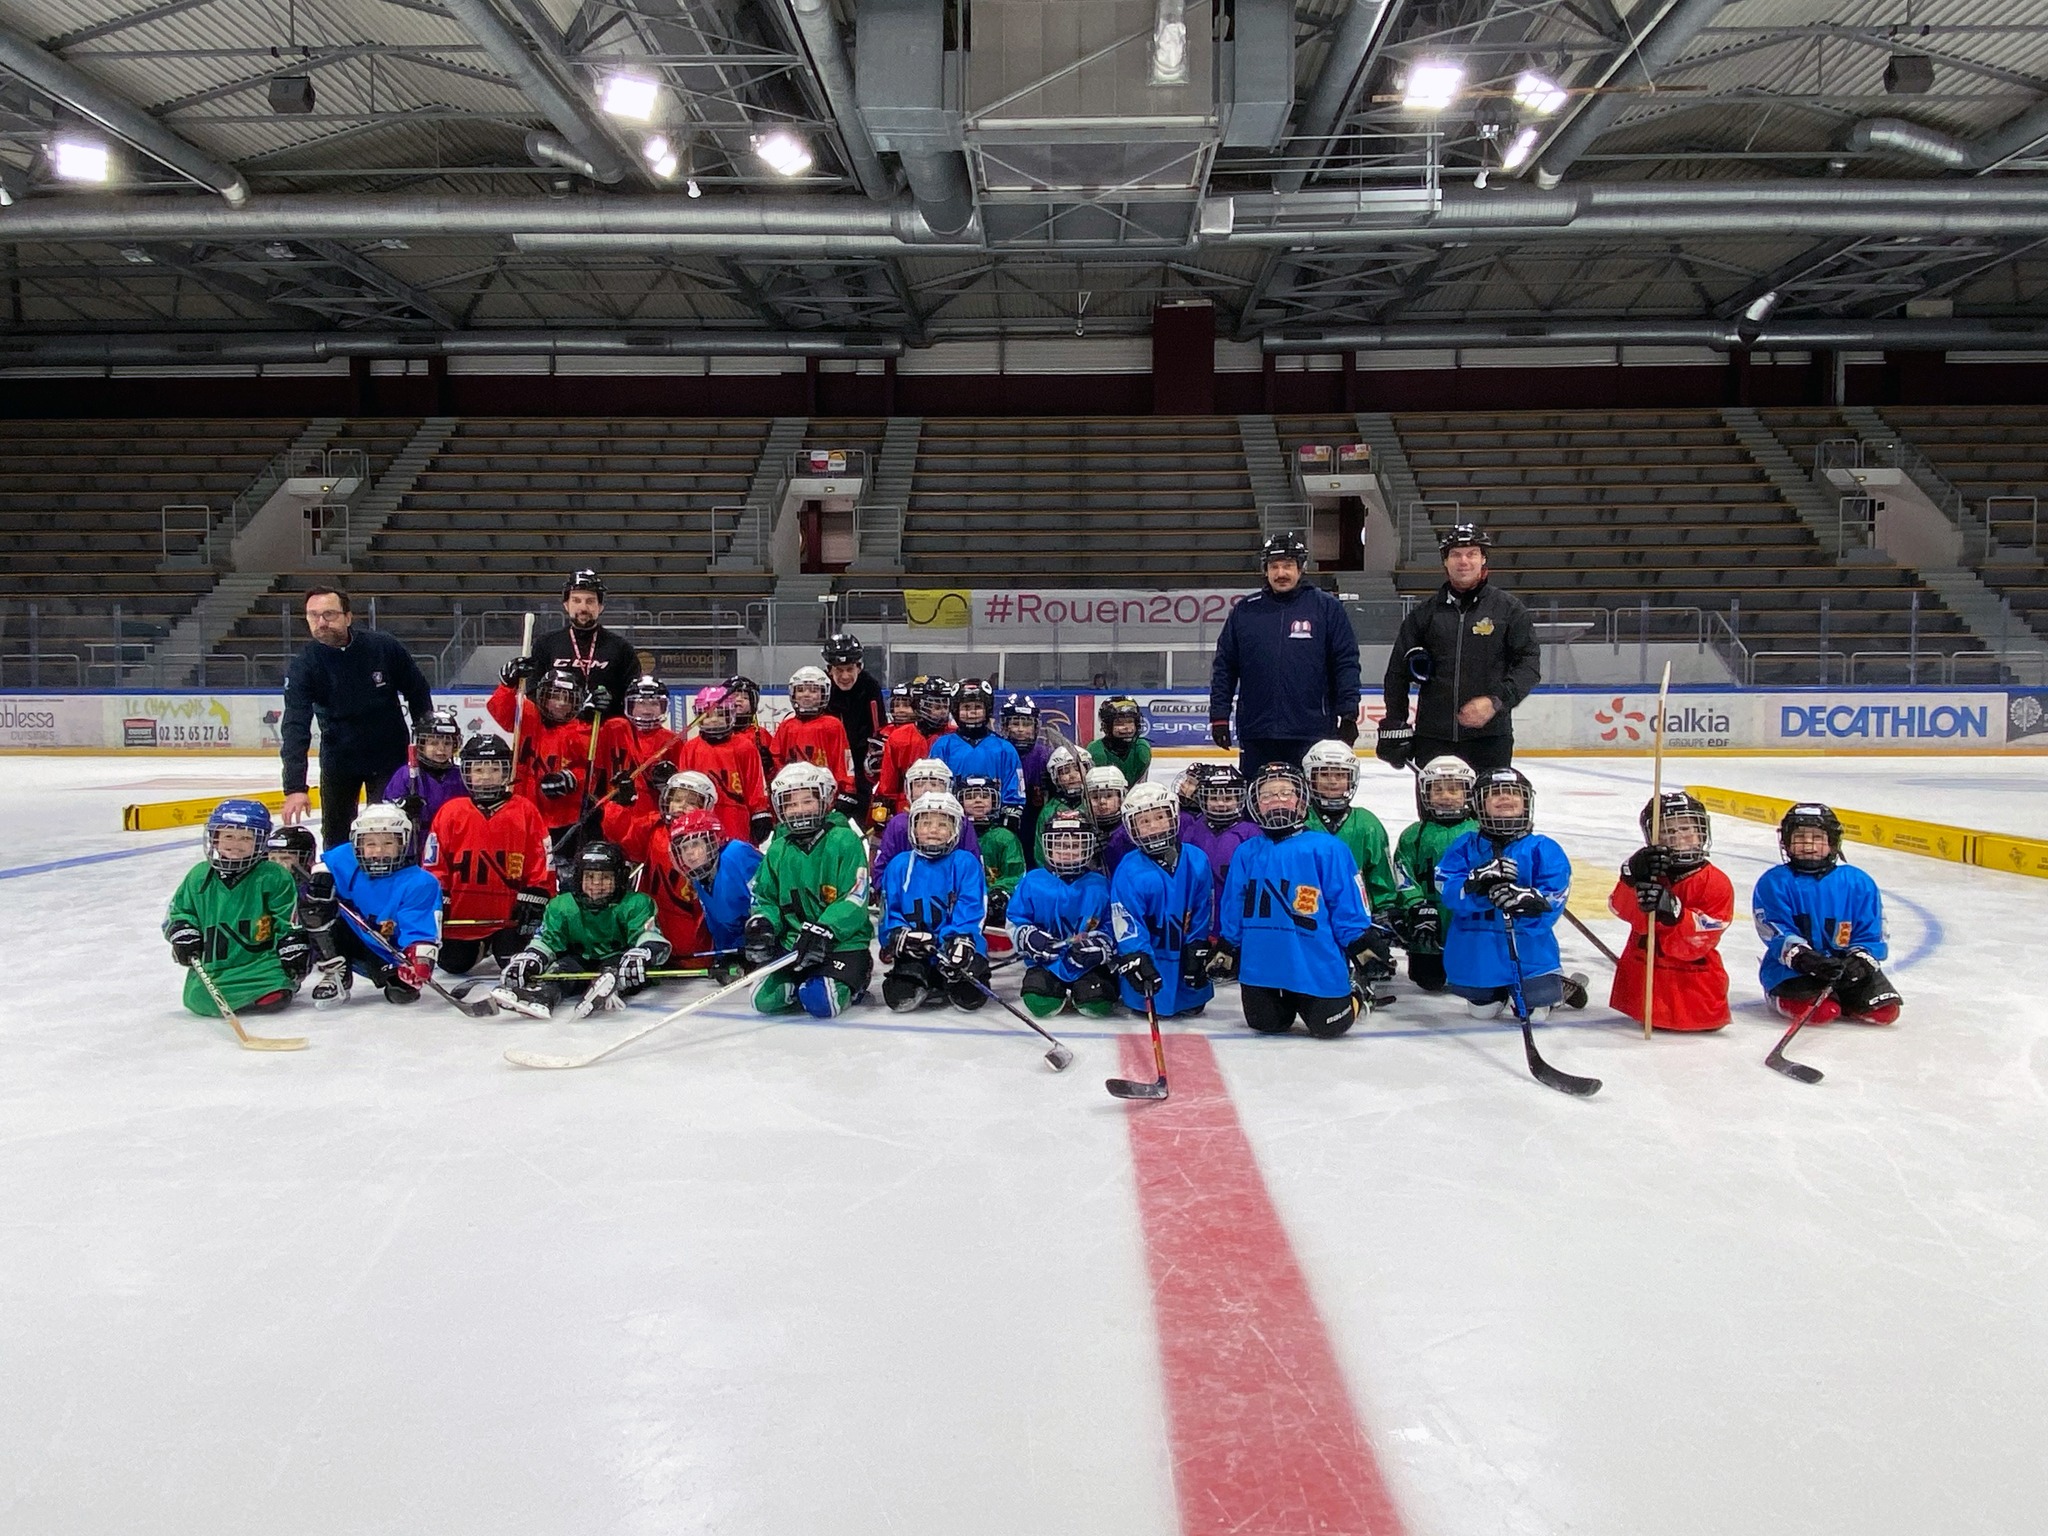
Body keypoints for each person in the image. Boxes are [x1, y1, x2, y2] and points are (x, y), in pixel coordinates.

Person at [1210, 764, 1385, 1038]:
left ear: (1301, 800)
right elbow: (1235, 903)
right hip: (1261, 964)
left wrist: (1358, 941)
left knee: (1330, 1027)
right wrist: (1229, 944)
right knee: (1265, 1024)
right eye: (1267, 796)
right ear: (1255, 804)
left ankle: (1357, 992)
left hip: (1313, 963)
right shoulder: (1247, 851)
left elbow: (1346, 903)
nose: (1277, 800)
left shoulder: (1329, 848)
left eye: (1285, 793)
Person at [1376, 524, 1540, 776]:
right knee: (1436, 813)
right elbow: (1397, 673)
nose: (1464, 561)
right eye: (1455, 554)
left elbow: (1529, 666)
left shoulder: (1508, 610)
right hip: (1433, 738)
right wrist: (1395, 723)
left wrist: (1496, 701)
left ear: (1483, 558)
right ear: (1445, 561)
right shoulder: (1424, 614)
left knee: (1488, 813)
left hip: (1490, 739)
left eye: (1471, 553)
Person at [279, 586, 434, 851]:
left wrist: (426, 746)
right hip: (340, 759)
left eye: (329, 614)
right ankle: (340, 889)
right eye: (313, 616)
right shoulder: (305, 665)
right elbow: (295, 726)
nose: (321, 622)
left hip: (389, 757)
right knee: (336, 836)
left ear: (348, 617)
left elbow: (418, 693)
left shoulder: (383, 648)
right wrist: (295, 786)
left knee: (387, 829)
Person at [1435, 768, 1586, 1020]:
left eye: (1513, 793)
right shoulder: (1464, 846)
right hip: (1477, 953)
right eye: (1495, 793)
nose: (1504, 797)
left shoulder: (1543, 848)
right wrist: (1476, 885)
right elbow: (1446, 887)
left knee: (1535, 1014)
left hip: (1528, 951)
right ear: (1479, 803)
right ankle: (1500, 990)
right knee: (1482, 1011)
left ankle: (1556, 987)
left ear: (1526, 801)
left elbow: (1556, 895)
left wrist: (1528, 900)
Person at [1208, 531, 1362, 775]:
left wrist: (1349, 714)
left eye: (1288, 565)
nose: (1281, 573)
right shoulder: (1245, 611)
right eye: (1275, 566)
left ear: (1301, 568)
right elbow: (1225, 668)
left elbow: (1345, 664)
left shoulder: (1326, 608)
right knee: (1257, 803)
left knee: (1308, 806)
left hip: (1313, 731)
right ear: (1265, 570)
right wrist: (1219, 716)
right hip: (1257, 732)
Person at [745, 763, 875, 1017]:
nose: (799, 810)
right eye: (791, 804)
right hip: (795, 945)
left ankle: (857, 974)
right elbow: (766, 898)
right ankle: (803, 981)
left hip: (840, 945)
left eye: (807, 801)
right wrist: (763, 924)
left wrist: (825, 929)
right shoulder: (778, 848)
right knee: (763, 1000)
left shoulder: (844, 840)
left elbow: (855, 896)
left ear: (825, 800)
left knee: (820, 1002)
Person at [1753, 803, 1902, 1025]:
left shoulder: (1858, 882)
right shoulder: (1774, 882)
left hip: (1844, 966)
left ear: (1832, 842)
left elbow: (1872, 931)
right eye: (1800, 838)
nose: (1809, 845)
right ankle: (1776, 993)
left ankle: (1843, 996)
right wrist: (1805, 959)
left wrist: (1859, 961)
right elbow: (1775, 929)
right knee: (1823, 1013)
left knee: (1885, 1012)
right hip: (1793, 969)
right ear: (1786, 841)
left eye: (1817, 838)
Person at [163, 799, 309, 1017]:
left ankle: (272, 985)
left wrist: (292, 944)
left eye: (246, 838)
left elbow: (288, 918)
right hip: (215, 966)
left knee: (274, 994)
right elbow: (180, 912)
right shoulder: (199, 875)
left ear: (260, 842)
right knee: (199, 1000)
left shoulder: (273, 875)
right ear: (215, 838)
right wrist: (184, 932)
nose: (236, 843)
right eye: (228, 836)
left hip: (261, 964)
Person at [423, 735, 555, 976]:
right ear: (466, 772)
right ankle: (481, 947)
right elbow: (434, 862)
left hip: (510, 916)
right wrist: (438, 893)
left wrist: (537, 892)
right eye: (478, 769)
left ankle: (499, 942)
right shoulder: (451, 811)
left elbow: (542, 858)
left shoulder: (524, 810)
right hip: (464, 916)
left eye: (494, 769)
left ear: (506, 772)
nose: (485, 776)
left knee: (513, 960)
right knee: (453, 963)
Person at [492, 841, 670, 1019]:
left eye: (606, 877)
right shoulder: (562, 905)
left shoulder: (636, 903)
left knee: (619, 967)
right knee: (562, 971)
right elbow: (547, 941)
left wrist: (643, 953)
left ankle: (613, 986)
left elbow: (648, 936)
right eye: (590, 877)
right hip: (579, 961)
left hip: (618, 959)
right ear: (578, 878)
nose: (597, 884)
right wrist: (532, 958)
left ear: (620, 878)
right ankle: (543, 996)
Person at [1609, 792, 1735, 1032]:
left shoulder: (1716, 882)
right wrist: (1630, 877)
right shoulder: (1648, 871)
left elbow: (1700, 940)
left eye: (1686, 827)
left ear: (1702, 831)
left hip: (1694, 998)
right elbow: (1620, 909)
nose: (1678, 837)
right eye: (1667, 830)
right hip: (1643, 993)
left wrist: (1675, 911)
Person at [301, 802, 443, 1007]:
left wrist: (418, 960)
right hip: (350, 940)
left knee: (402, 994)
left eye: (388, 843)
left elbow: (420, 927)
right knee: (314, 904)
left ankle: (389, 972)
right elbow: (322, 868)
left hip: (387, 951)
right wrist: (320, 881)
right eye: (370, 844)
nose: (379, 851)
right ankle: (336, 970)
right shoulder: (345, 859)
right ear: (357, 846)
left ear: (403, 843)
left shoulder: (421, 882)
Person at [877, 791, 991, 1012]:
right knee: (899, 997)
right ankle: (927, 976)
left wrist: (959, 940)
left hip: (957, 946)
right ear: (914, 828)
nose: (933, 830)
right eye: (926, 823)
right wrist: (901, 936)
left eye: (942, 824)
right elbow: (889, 911)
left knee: (970, 997)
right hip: (916, 950)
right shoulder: (899, 865)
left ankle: (950, 976)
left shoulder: (965, 862)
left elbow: (972, 907)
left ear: (955, 830)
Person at [1108, 782, 1214, 1018]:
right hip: (1152, 958)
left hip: (1182, 955)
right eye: (1144, 821)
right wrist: (1137, 957)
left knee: (1193, 1000)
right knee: (1146, 996)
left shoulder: (1196, 860)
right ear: (1132, 827)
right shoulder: (1129, 869)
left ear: (1173, 816)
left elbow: (1202, 910)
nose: (1154, 827)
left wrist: (1196, 948)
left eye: (1160, 817)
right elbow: (1127, 922)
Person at [1007, 809, 1118, 1019]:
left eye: (1075, 845)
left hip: (1088, 966)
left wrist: (1099, 947)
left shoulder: (1100, 884)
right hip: (1046, 962)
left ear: (1088, 846)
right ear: (1047, 846)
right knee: (1040, 1001)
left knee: (1097, 1003)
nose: (1067, 851)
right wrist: (1029, 937)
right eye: (1059, 845)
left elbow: (1112, 925)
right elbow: (1015, 919)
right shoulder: (1033, 881)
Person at [490, 658, 598, 854]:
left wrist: (572, 779)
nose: (560, 703)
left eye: (567, 698)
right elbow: (502, 713)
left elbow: (590, 769)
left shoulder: (581, 730)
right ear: (542, 696)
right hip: (522, 807)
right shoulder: (527, 714)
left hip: (561, 816)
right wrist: (508, 685)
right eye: (554, 696)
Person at [1388, 756, 1477, 993]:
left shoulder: (1479, 833)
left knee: (1475, 980)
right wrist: (1416, 905)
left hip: (1470, 924)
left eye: (1454, 789)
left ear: (1468, 792)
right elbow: (1402, 872)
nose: (1446, 796)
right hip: (1427, 925)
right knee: (1428, 980)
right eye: (1438, 789)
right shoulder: (1414, 835)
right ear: (1425, 793)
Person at [1301, 740, 1399, 919]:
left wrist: (1385, 909)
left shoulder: (1366, 823)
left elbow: (1380, 875)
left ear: (1351, 778)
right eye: (1324, 774)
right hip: (1306, 914)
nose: (1332, 781)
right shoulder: (1299, 820)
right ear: (1310, 777)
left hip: (1356, 919)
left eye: (1340, 774)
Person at [669, 809, 766, 982]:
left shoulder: (737, 854)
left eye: (696, 844)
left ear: (714, 840)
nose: (690, 853)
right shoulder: (700, 875)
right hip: (749, 947)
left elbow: (767, 899)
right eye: (684, 848)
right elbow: (720, 926)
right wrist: (727, 956)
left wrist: (761, 939)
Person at [532, 568, 638, 720]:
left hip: (603, 732)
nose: (583, 608)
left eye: (590, 601)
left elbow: (631, 697)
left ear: (600, 607)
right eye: (576, 600)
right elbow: (532, 692)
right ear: (566, 605)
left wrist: (611, 702)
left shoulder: (621, 648)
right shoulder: (546, 644)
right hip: (559, 734)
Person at [675, 683, 771, 845]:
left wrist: (759, 812)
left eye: (720, 714)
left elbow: (755, 784)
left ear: (730, 715)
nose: (713, 720)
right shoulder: (690, 748)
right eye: (707, 714)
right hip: (701, 816)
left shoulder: (744, 746)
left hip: (736, 817)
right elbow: (685, 788)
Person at [589, 675, 677, 851]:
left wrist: (667, 784)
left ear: (663, 707)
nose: (647, 710)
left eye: (653, 704)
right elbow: (593, 774)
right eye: (641, 703)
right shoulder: (614, 729)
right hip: (616, 819)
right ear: (629, 706)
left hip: (653, 822)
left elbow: (679, 793)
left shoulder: (673, 741)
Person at [871, 757, 983, 888]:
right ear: (909, 789)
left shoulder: (961, 822)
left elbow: (974, 868)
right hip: (907, 897)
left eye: (934, 784)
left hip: (951, 896)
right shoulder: (898, 824)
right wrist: (888, 894)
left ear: (947, 787)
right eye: (919, 784)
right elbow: (883, 867)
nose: (927, 790)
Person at [928, 679, 1025, 826]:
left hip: (994, 825)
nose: (972, 712)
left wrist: (1010, 814)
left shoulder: (1004, 748)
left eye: (978, 707)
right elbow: (934, 785)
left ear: (988, 709)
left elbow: (1014, 786)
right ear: (955, 710)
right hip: (952, 822)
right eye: (966, 707)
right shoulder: (942, 746)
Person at [873, 675, 955, 828]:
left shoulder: (955, 737)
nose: (942, 712)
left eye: (945, 706)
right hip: (905, 810)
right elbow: (888, 784)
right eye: (936, 707)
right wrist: (883, 807)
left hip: (946, 809)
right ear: (919, 705)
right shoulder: (899, 737)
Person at [777, 665, 857, 814]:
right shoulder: (787, 726)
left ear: (823, 693)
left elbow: (843, 759)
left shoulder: (832, 725)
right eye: (801, 690)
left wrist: (847, 790)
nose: (806, 694)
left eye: (813, 690)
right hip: (792, 795)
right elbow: (777, 761)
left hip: (825, 796)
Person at [822, 633, 887, 816]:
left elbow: (879, 728)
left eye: (849, 669)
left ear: (859, 667)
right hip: (829, 767)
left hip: (861, 768)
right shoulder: (821, 689)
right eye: (839, 670)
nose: (845, 676)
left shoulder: (870, 687)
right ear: (829, 669)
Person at [1181, 764, 1257, 918]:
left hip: (1239, 916)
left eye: (1228, 798)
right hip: (1200, 916)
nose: (1221, 804)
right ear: (1203, 799)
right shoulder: (1193, 831)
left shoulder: (1252, 834)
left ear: (1239, 799)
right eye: (1214, 798)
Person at [382, 706, 467, 842]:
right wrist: (402, 806)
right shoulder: (406, 774)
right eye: (433, 743)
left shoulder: (461, 776)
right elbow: (386, 809)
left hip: (453, 840)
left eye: (447, 743)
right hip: (416, 841)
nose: (441, 749)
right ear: (421, 745)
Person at [957, 774, 1024, 941]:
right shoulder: (954, 835)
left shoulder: (1004, 837)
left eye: (985, 796)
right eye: (970, 796)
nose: (978, 800)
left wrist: (1000, 892)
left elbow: (1016, 874)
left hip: (993, 901)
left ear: (995, 800)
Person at [1028, 741, 1090, 865]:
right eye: (1065, 771)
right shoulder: (1049, 811)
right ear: (1055, 777)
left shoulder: (1092, 805)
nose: (1072, 775)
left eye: (1078, 769)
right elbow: (1041, 851)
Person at [1088, 696, 1152, 786]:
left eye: (1130, 721)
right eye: (1119, 723)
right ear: (1106, 726)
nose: (1126, 727)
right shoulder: (1096, 750)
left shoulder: (1141, 749)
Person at [1084, 765, 1136, 875]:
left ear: (1121, 797)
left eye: (1108, 796)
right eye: (1095, 797)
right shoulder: (1083, 830)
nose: (1102, 802)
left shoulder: (1131, 830)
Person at [725, 677, 777, 784]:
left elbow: (775, 772)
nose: (738, 700)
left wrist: (770, 767)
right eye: (734, 696)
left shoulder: (761, 734)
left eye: (745, 697)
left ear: (753, 704)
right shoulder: (716, 735)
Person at [265, 824, 318, 889]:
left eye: (285, 858)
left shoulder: (316, 888)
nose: (277, 864)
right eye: (273, 859)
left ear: (308, 859)